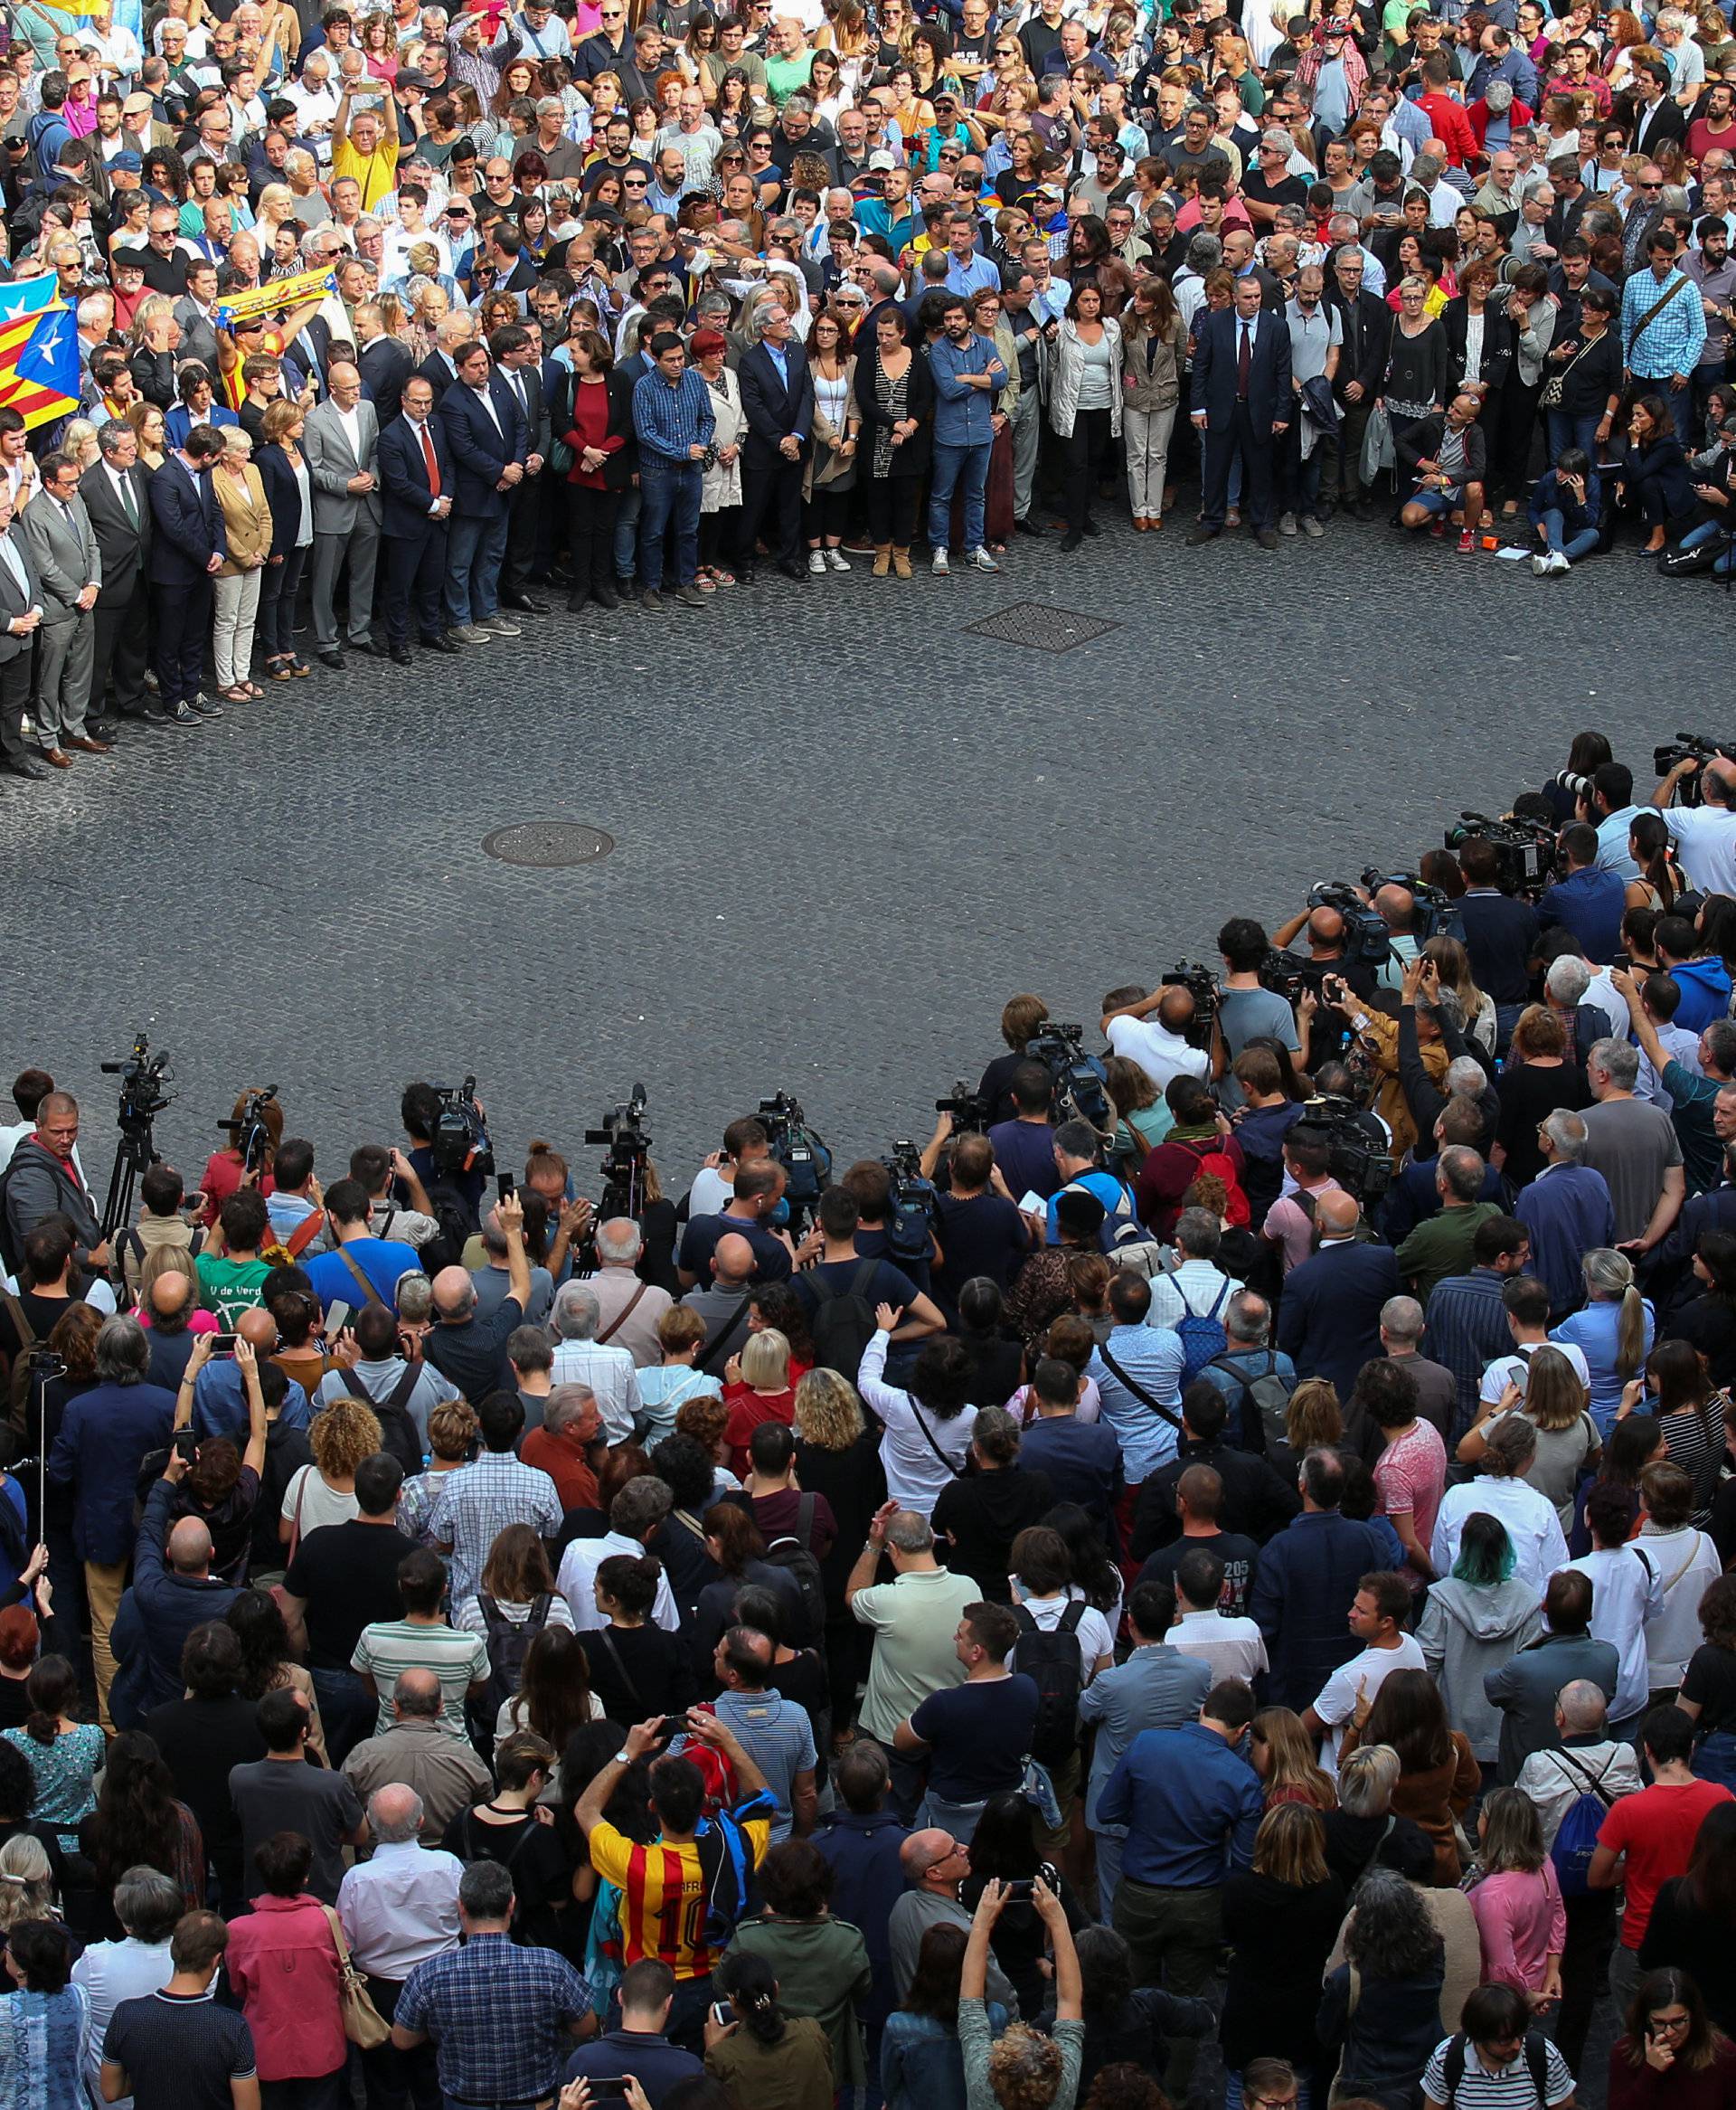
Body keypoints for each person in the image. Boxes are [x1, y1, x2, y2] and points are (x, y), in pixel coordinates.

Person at [1097, 1680, 1261, 2095]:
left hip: (1138, 1894)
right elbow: (1242, 1862)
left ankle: (1126, 2089)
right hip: (1199, 1902)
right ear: (1242, 1731)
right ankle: (1172, 2096)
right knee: (1187, 2005)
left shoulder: (1146, 1745)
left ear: (1204, 1709)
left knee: (1129, 1995)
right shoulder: (1241, 1778)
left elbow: (1108, 1810)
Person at [391, 1859, 594, 2101]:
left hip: (464, 2104)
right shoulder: (550, 1966)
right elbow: (586, 2026)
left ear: (462, 1907)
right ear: (511, 1904)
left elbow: (402, 2039)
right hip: (536, 2103)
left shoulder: (429, 1974)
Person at [1590, 1703, 1735, 2012]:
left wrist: (1636, 1865)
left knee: (1637, 2043)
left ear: (1647, 1749)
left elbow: (1597, 1877)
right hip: (1706, 1934)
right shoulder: (1721, 1798)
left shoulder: (1628, 1810)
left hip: (1641, 1941)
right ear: (1692, 1747)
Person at [1220, 1803, 1344, 2107]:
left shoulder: (1239, 1889)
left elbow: (1229, 1937)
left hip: (1248, 2012)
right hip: (1303, 2013)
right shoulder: (1330, 1890)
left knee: (1242, 2087)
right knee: (1297, 2091)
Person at [222, 1828, 347, 2109]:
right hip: (322, 2047)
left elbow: (237, 1988)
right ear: (305, 1876)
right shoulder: (327, 1921)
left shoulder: (238, 1931)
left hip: (264, 2048)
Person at [1417, 1516, 1544, 1776]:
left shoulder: (1442, 1599)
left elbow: (1425, 1667)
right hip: (1505, 1735)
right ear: (1504, 1550)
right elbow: (1530, 1673)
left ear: (1465, 1550)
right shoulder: (1527, 1601)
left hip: (1452, 1734)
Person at [1318, 1867, 1449, 2110]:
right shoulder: (1435, 1954)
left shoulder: (1347, 1980)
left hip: (1372, 2090)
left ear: (1361, 1923)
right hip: (1430, 2080)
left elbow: (1328, 2036)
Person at [99, 1912, 257, 2110]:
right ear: (216, 1960)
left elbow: (110, 2091)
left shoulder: (126, 2014)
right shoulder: (233, 2027)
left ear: (174, 1951)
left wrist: (148, 2073)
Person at [1187, 272, 1293, 548]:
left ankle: (1262, 524)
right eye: (1248, 297)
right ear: (1235, 298)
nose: (1254, 302)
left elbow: (1283, 373)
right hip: (1221, 406)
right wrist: (1198, 407)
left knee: (1260, 469)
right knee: (1215, 467)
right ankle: (1212, 520)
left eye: (1257, 296)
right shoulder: (1215, 323)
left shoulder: (1276, 326)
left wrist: (1282, 413)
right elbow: (1201, 368)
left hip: (1259, 409)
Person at [959, 1878, 1084, 2110]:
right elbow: (1069, 1999)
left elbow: (971, 2005)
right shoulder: (1062, 2088)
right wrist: (1058, 1921)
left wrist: (981, 1925)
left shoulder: (981, 2082)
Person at [69, 1865, 181, 2110]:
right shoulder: (197, 1961)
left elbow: (77, 1996)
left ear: (124, 1918)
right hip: (176, 2082)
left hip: (114, 2087)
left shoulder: (95, 1961)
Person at [1608, 1966, 1736, 2110]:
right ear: (1646, 2020)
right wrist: (1650, 2072)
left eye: (1678, 2022)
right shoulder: (1625, 2053)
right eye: (1659, 2023)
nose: (1669, 2032)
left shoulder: (1724, 2053)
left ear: (1693, 2016)